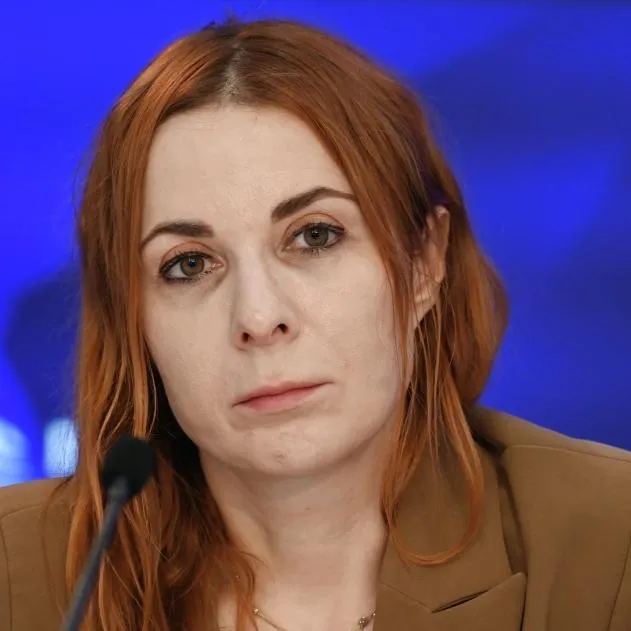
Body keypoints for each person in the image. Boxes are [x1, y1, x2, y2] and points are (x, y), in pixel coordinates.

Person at [1, 17, 630, 631]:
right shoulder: (14, 575)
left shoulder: (610, 545)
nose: (259, 317)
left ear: (424, 262)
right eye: (188, 264)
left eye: (315, 236)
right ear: (133, 319)